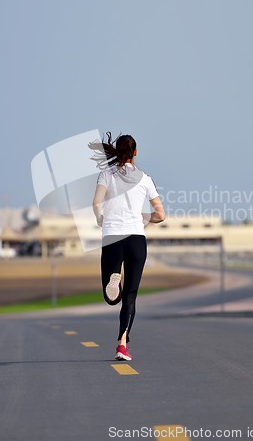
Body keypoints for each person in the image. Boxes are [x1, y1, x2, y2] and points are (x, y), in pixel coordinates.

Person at [88, 132, 165, 361]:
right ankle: (122, 345)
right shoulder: (145, 179)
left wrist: (100, 218)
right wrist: (143, 217)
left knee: (110, 297)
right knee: (131, 298)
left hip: (112, 237)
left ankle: (114, 285)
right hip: (136, 239)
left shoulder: (106, 175)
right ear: (135, 153)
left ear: (117, 152)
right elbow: (161, 215)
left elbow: (96, 203)